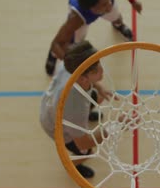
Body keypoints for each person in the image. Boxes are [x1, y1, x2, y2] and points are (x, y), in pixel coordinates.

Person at [40, 40, 113, 178]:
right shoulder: (74, 106)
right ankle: (73, 165)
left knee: (96, 97)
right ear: (84, 79)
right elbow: (83, 143)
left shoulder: (70, 65)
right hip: (55, 126)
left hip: (51, 104)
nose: (102, 70)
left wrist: (100, 87)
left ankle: (84, 118)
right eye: (97, 70)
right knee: (87, 151)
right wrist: (114, 127)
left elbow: (85, 79)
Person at [45, 0, 143, 76]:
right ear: (91, 9)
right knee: (73, 45)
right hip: (82, 18)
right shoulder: (76, 19)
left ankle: (118, 25)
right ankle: (52, 56)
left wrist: (133, 1)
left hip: (94, 4)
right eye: (104, 5)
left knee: (116, 17)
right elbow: (56, 44)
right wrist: (70, 64)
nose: (109, 6)